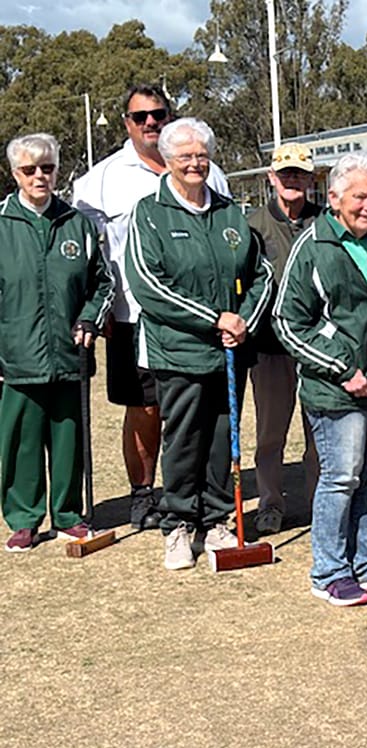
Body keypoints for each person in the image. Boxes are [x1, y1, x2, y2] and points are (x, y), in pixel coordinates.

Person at [73, 83, 230, 531]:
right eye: (139, 116)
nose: (150, 123)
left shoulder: (207, 170)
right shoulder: (102, 179)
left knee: (198, 409)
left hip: (198, 319)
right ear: (126, 122)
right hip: (131, 317)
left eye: (158, 114)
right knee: (144, 410)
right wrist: (95, 308)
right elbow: (85, 251)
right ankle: (143, 494)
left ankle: (197, 492)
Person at [125, 118, 273, 570]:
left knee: (222, 439)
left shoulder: (229, 212)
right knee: (185, 439)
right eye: (186, 156)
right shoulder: (149, 213)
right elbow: (148, 283)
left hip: (230, 350)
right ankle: (178, 524)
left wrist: (243, 321)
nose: (195, 163)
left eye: (202, 155)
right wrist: (213, 319)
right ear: (168, 160)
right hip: (179, 352)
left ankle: (216, 520)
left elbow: (261, 273)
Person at [274, 152, 367, 606]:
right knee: (341, 478)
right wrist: (342, 369)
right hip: (336, 390)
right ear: (334, 198)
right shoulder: (314, 246)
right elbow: (288, 322)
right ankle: (330, 571)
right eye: (359, 197)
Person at [1, 133, 114, 552]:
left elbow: (103, 284)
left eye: (47, 168)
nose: (39, 177)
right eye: (29, 169)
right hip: (17, 356)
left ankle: (68, 514)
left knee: (68, 440)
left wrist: (89, 318)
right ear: (15, 173)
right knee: (21, 442)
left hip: (70, 354)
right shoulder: (2, 223)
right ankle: (24, 518)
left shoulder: (77, 223)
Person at [247, 143, 322, 536]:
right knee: (270, 434)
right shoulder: (253, 225)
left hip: (316, 347)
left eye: (299, 174)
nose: (292, 180)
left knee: (319, 434)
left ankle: (320, 504)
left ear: (311, 179)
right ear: (271, 178)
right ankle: (270, 504)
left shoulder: (325, 222)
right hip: (270, 346)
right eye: (285, 173)